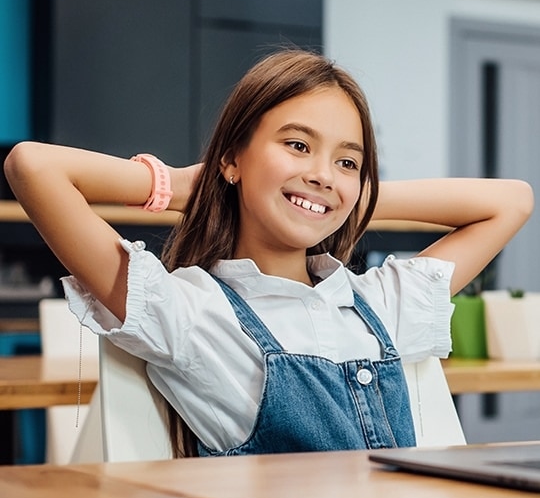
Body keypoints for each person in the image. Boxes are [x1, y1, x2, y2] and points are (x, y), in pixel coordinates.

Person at [4, 49, 533, 457]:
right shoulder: (189, 313)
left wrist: (342, 197)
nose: (323, 172)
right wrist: (198, 182)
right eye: (298, 146)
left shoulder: (379, 304)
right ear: (233, 156)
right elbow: (33, 167)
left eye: (348, 161)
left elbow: (512, 201)